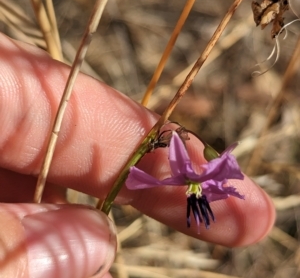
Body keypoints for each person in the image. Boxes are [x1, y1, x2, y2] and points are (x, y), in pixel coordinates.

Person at [0, 33, 275, 278]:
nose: (195, 192)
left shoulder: (189, 176)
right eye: (196, 189)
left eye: (196, 190)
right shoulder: (191, 175)